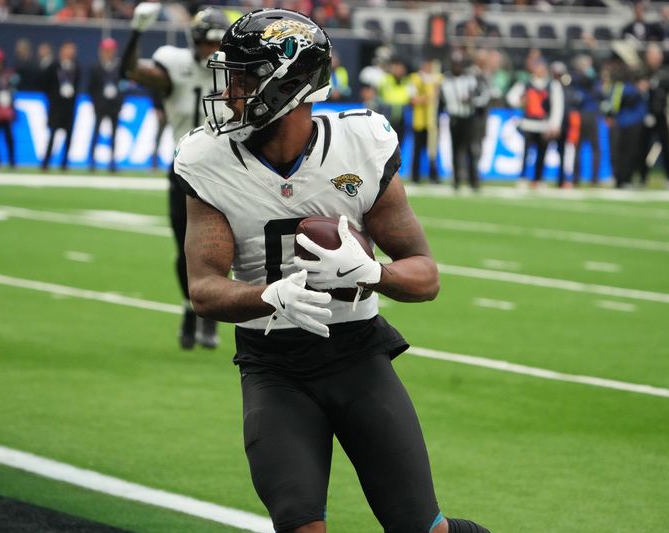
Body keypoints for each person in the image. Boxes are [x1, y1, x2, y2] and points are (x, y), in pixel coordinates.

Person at [178, 9, 491, 533]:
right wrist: (268, 297)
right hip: (273, 366)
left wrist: (372, 273)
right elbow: (204, 290)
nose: (230, 90)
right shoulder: (207, 158)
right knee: (301, 523)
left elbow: (425, 276)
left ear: (291, 82)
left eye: (244, 75)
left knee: (420, 528)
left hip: (357, 356)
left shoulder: (360, 144)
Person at [120, 3, 228, 349]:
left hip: (227, 170)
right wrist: (137, 31)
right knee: (186, 249)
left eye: (217, 43)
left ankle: (210, 316)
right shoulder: (175, 65)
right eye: (205, 43)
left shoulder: (236, 70)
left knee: (224, 249)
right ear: (193, 41)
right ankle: (190, 307)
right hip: (185, 170)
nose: (211, 51)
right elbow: (131, 71)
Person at [507, 58, 564, 188]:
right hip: (528, 123)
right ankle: (523, 177)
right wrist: (519, 102)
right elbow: (511, 97)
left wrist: (554, 125)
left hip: (543, 125)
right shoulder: (525, 83)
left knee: (542, 153)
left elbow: (557, 106)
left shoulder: (552, 85)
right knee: (526, 153)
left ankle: (538, 179)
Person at [441, 52, 489, 190]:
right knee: (455, 150)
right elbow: (442, 100)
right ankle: (456, 181)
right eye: (455, 64)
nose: (457, 67)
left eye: (459, 64)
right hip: (454, 117)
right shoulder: (446, 80)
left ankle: (474, 181)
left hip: (469, 117)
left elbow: (484, 95)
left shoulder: (471, 79)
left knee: (471, 149)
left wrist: (473, 100)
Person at [640, 43, 669, 188]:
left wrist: (658, 85)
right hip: (646, 114)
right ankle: (643, 177)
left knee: (666, 147)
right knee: (643, 147)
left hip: (660, 114)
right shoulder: (643, 71)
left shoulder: (664, 72)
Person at [41, 41, 79, 171]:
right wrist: (54, 97)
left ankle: (64, 163)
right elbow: (45, 84)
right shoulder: (54, 66)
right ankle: (46, 161)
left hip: (69, 107)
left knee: (69, 136)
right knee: (52, 135)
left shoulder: (76, 67)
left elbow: (78, 86)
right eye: (68, 50)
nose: (70, 53)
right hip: (56, 107)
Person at [87, 38, 124, 172]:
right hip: (101, 105)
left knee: (114, 134)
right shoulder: (96, 67)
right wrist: (96, 103)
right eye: (106, 51)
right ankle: (92, 159)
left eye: (110, 51)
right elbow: (91, 88)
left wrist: (119, 101)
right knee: (96, 132)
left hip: (114, 105)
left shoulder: (119, 67)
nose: (108, 53)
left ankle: (112, 161)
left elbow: (124, 87)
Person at [570, 54, 603, 186]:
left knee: (582, 147)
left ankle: (579, 178)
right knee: (590, 147)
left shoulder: (577, 79)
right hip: (587, 115)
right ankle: (590, 178)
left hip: (583, 115)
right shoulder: (587, 79)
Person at [407, 57, 441, 183]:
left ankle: (433, 176)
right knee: (417, 150)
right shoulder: (415, 79)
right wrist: (426, 98)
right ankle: (415, 176)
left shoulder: (436, 78)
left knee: (432, 150)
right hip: (419, 121)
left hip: (431, 121)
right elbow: (412, 99)